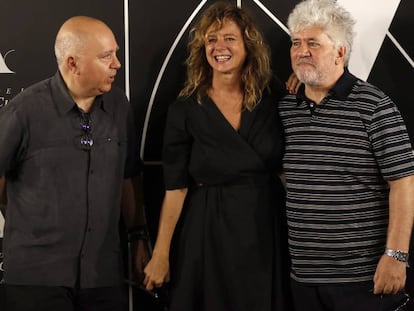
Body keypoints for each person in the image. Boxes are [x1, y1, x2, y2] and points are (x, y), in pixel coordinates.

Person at [143, 2, 288, 310]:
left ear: (247, 45)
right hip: (207, 230)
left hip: (265, 228)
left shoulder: (274, 98)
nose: (219, 47)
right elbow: (175, 188)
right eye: (211, 39)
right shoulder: (184, 109)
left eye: (229, 38)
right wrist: (160, 254)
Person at [0, 16, 149, 311]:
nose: (117, 64)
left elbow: (128, 176)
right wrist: (31, 221)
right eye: (107, 56)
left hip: (102, 276)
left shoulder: (119, 106)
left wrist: (138, 236)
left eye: (116, 53)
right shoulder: (24, 111)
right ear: (72, 63)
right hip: (37, 279)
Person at [278, 0, 414, 310]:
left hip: (363, 279)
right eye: (296, 43)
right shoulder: (286, 109)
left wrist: (396, 256)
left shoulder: (374, 106)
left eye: (313, 43)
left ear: (340, 51)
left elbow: (404, 182)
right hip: (303, 277)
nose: (301, 51)